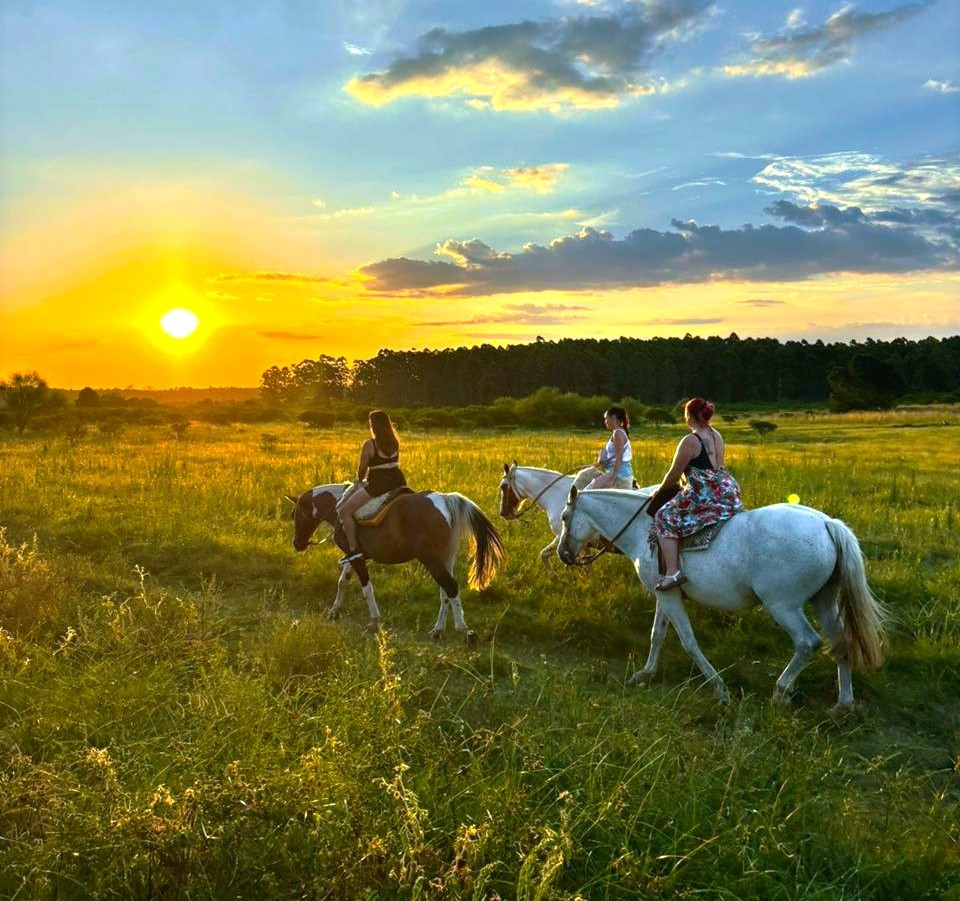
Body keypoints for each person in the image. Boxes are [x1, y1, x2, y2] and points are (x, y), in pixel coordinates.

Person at [652, 397, 743, 591]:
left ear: (689, 416)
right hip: (726, 487)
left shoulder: (690, 441)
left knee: (663, 516)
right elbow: (716, 466)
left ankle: (673, 572)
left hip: (705, 491)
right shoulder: (716, 434)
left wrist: (659, 492)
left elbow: (674, 474)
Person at [337, 410, 407, 564]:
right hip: (399, 480)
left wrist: (359, 481)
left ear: (373, 425)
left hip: (379, 484)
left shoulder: (370, 444)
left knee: (345, 511)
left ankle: (354, 550)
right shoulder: (395, 441)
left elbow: (362, 468)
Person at [573, 406, 635, 491]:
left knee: (588, 490)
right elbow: (609, 460)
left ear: (613, 418)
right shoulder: (617, 432)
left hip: (620, 474)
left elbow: (619, 458)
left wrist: (612, 479)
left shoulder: (618, 433)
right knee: (585, 475)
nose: (605, 422)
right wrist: (587, 466)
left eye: (606, 419)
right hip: (614, 472)